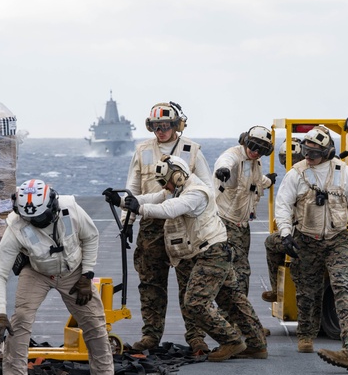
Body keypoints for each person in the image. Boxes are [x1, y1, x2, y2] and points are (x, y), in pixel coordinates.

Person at [105, 155, 267, 361]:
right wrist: (122, 202)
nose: (167, 187)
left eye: (168, 182)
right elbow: (153, 198)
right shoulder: (178, 190)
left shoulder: (196, 193)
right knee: (232, 299)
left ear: (179, 175)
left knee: (194, 303)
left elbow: (169, 209)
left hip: (212, 253)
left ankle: (232, 341)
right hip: (212, 251)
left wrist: (139, 209)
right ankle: (257, 345)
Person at [0, 179, 123, 375]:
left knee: (94, 320)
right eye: (30, 217)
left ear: (52, 206)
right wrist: (0, 313)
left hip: (73, 272)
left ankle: (105, 374)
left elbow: (91, 237)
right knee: (20, 319)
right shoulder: (16, 226)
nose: (35, 221)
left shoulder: (71, 210)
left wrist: (87, 275)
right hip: (36, 272)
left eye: (40, 216)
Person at [122, 102, 213, 354]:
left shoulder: (192, 150)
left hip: (184, 226)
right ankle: (150, 335)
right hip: (151, 223)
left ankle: (196, 337)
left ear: (176, 126)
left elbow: (207, 187)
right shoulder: (142, 151)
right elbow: (133, 189)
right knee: (151, 282)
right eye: (156, 127)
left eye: (166, 126)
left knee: (190, 282)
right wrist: (126, 222)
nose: (161, 131)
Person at [274, 127, 348, 370]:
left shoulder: (344, 174)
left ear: (327, 152)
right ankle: (306, 334)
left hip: (337, 240)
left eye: (314, 152)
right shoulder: (296, 174)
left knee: (345, 288)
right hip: (305, 239)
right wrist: (285, 234)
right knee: (307, 291)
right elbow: (283, 204)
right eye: (306, 151)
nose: (309, 156)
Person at [213, 125, 277, 298]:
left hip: (241, 225)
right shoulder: (234, 154)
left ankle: (237, 321)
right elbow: (226, 160)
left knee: (238, 272)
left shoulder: (254, 161)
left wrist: (268, 182)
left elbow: (252, 180)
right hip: (227, 222)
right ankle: (238, 321)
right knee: (239, 272)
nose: (256, 152)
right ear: (246, 142)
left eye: (261, 150)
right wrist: (223, 170)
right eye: (253, 146)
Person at [262, 138, 304, 303]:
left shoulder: (293, 176)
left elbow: (284, 207)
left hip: (298, 233)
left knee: (270, 243)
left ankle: (275, 289)